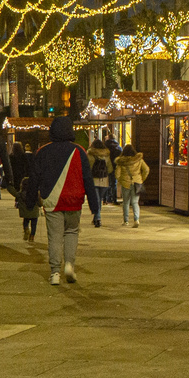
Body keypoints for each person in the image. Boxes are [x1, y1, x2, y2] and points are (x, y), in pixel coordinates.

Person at [30, 115, 100, 285]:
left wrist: (30, 198)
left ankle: (55, 272)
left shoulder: (43, 151)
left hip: (52, 199)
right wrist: (94, 204)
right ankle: (69, 264)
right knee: (71, 232)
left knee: (54, 236)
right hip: (74, 199)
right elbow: (87, 179)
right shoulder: (79, 151)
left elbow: (34, 177)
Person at [115, 144, 150, 228]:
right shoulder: (139, 160)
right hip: (137, 182)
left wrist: (121, 180)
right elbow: (146, 170)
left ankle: (126, 221)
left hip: (125, 183)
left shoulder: (121, 162)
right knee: (135, 202)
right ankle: (136, 219)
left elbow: (117, 174)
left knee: (126, 202)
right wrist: (141, 179)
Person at [86, 136, 112, 225]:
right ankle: (97, 217)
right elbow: (110, 168)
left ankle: (97, 218)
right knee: (99, 199)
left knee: (96, 199)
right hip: (104, 180)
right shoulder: (106, 155)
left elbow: (87, 167)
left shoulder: (90, 154)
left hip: (93, 180)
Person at [104, 130, 123, 204]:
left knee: (106, 182)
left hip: (106, 166)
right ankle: (114, 199)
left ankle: (106, 199)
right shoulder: (118, 147)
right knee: (113, 183)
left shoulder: (105, 147)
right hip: (115, 166)